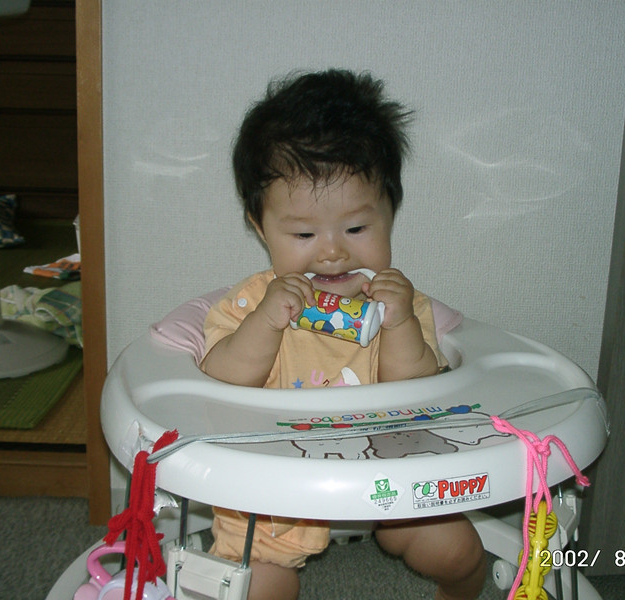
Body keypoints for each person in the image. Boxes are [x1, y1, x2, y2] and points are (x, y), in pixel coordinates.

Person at [199, 69, 485, 600]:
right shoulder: (250, 304)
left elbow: (420, 392)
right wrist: (266, 322)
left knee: (459, 552)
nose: (332, 251)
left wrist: (399, 324)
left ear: (390, 214)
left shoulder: (400, 302)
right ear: (261, 228)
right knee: (258, 586)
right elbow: (219, 382)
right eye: (303, 233)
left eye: (356, 228)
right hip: (275, 484)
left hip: (388, 471)